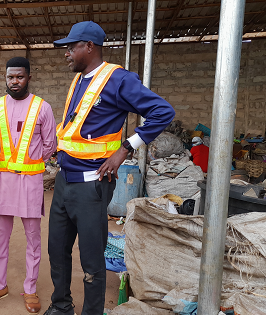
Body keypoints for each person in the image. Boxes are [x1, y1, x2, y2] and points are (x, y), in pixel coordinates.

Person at [46, 21, 175, 315]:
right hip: (65, 181)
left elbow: (162, 111)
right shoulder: (79, 79)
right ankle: (61, 305)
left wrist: (125, 149)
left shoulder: (118, 79)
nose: (66, 53)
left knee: (92, 259)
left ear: (89, 47)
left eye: (71, 47)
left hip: (92, 184)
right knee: (58, 251)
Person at [0, 57, 57, 315]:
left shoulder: (42, 107)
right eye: (10, 77)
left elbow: (50, 144)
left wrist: (30, 163)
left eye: (20, 77)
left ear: (29, 78)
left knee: (33, 239)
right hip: (2, 180)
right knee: (0, 238)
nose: (15, 82)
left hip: (30, 182)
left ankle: (30, 288)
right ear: (6, 77)